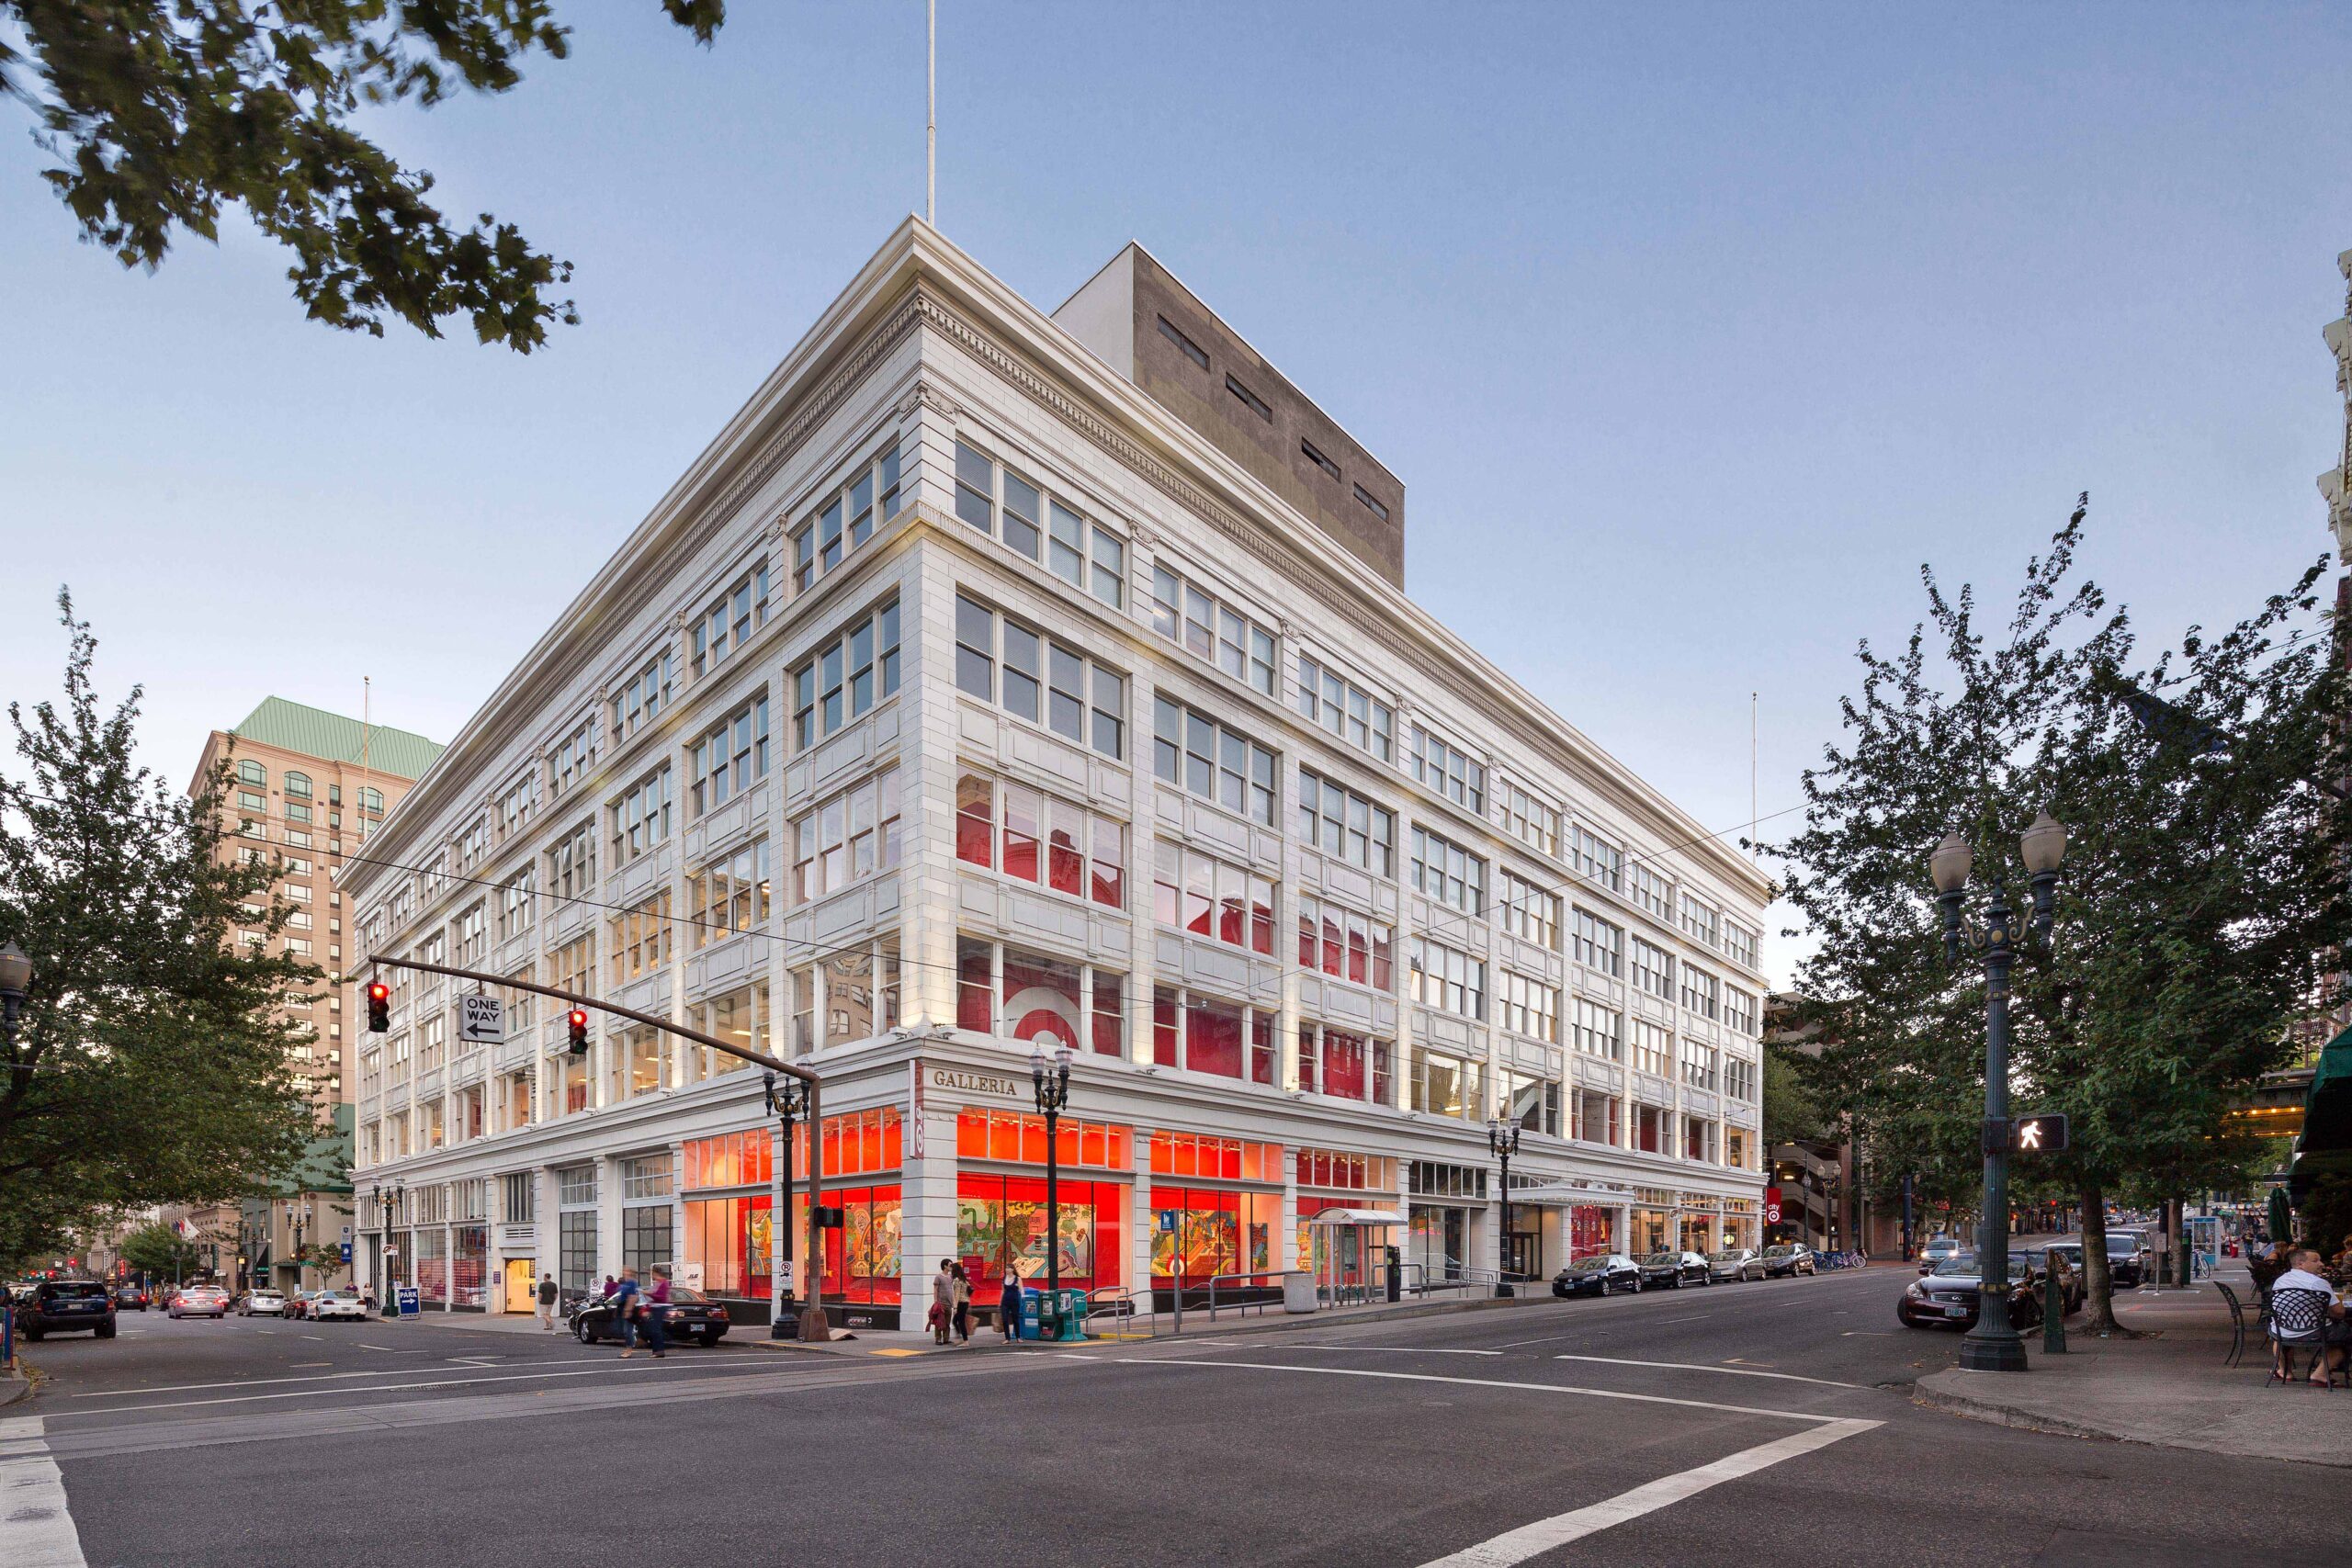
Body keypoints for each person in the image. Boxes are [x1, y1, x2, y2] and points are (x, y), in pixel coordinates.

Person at [2267, 1249, 2346, 1384]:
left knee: (2279, 1340)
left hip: (2282, 1330)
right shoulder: (2318, 1282)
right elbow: (2339, 1312)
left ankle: (2284, 1371)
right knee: (2345, 1336)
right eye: (2315, 1261)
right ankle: (2320, 1374)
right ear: (2300, 1264)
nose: (2321, 1264)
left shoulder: (2280, 1281)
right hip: (2314, 1331)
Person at [640, 1266, 671, 1359]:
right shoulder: (659, 1283)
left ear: (655, 1273)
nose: (651, 1276)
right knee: (654, 1329)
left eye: (651, 1273)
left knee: (655, 1329)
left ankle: (658, 1351)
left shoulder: (663, 1283)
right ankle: (657, 1350)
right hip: (656, 1307)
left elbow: (660, 1297)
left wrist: (648, 1293)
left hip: (660, 1307)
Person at [613, 1268, 643, 1357]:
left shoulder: (632, 1282)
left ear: (630, 1272)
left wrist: (628, 1310)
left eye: (626, 1271)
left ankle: (629, 1349)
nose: (624, 1272)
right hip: (621, 1306)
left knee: (627, 1330)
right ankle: (631, 1345)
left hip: (627, 1307)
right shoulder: (625, 1282)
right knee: (619, 1329)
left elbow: (633, 1297)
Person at [929, 1258, 956, 1345]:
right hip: (941, 1303)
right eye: (950, 1265)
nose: (951, 1267)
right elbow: (935, 1289)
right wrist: (936, 1301)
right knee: (939, 1322)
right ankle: (938, 1338)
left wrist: (953, 1302)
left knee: (947, 1322)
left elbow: (951, 1289)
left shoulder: (951, 1277)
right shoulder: (938, 1277)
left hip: (949, 1303)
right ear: (945, 1266)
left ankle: (946, 1338)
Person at [999, 1265, 1024, 1344]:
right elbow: (1003, 1291)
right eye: (1006, 1268)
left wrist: (1023, 1296)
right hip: (1005, 1302)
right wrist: (1000, 1302)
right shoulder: (1004, 1278)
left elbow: (1021, 1289)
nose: (1006, 1269)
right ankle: (1007, 1338)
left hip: (1014, 1302)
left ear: (1012, 1269)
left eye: (1008, 1268)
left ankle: (1018, 1337)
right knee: (1005, 1319)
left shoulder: (1017, 1278)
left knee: (1015, 1319)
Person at [951, 1261, 973, 1345]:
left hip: (960, 1303)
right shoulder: (964, 1279)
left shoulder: (956, 1280)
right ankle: (960, 1338)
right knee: (955, 1321)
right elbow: (969, 1291)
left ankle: (965, 1341)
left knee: (960, 1322)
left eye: (951, 1270)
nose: (951, 1272)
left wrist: (955, 1307)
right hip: (965, 1302)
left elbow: (956, 1294)